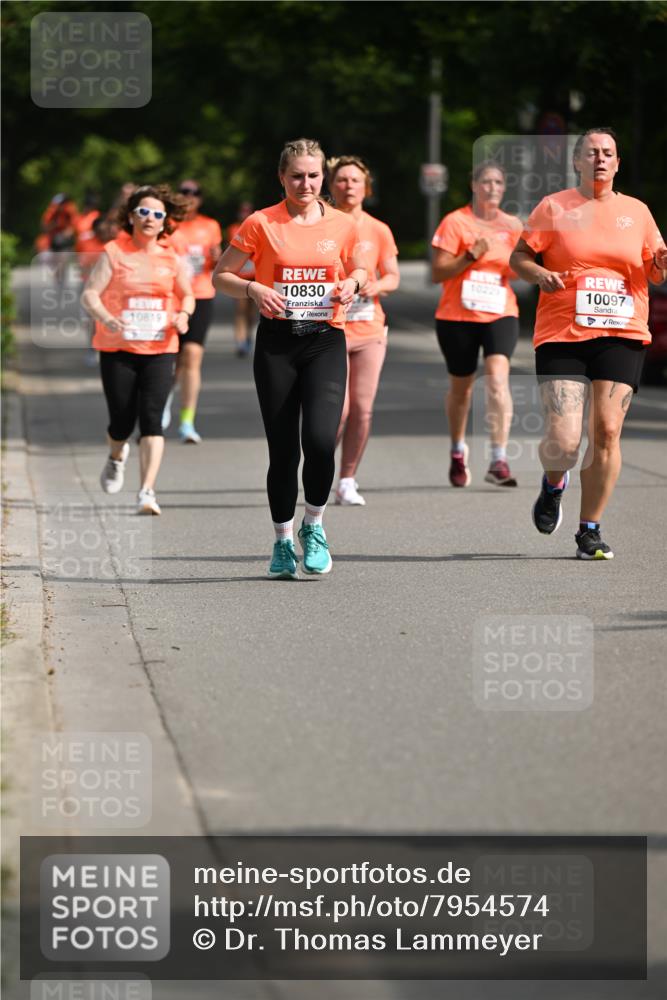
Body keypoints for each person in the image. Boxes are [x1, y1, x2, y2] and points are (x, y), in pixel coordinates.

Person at [213, 138, 367, 578]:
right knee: (283, 451)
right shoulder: (261, 223)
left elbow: (360, 269)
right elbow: (220, 274)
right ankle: (282, 541)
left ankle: (313, 527)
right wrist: (252, 287)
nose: (306, 183)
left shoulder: (341, 224)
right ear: (281, 177)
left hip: (325, 340)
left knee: (320, 441)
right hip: (277, 344)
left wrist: (352, 284)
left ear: (323, 177)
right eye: (296, 175)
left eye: (313, 175)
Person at [510, 127, 667, 559]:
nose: (600, 159)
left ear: (618, 164)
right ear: (577, 161)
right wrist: (540, 274)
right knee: (563, 440)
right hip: (563, 333)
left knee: (608, 431)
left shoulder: (637, 212)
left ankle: (589, 530)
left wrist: (661, 263)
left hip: (622, 331)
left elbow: (656, 272)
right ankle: (552, 483)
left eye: (608, 153)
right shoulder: (554, 207)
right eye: (591, 152)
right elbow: (519, 257)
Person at [81, 184, 194, 515]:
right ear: (131, 217)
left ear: (164, 223)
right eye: (143, 211)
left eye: (157, 214)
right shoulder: (115, 251)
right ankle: (116, 455)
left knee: (152, 419)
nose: (150, 218)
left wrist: (184, 315)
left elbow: (186, 295)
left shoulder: (170, 257)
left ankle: (147, 491)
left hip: (160, 347)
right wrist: (106, 317)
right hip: (117, 347)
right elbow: (90, 294)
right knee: (121, 421)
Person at [431, 162, 523, 487]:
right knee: (462, 389)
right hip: (457, 316)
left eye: (499, 182)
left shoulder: (512, 225)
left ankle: (499, 458)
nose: (493, 188)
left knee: (498, 380)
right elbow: (437, 273)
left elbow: (520, 268)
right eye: (486, 182)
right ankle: (458, 449)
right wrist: (469, 256)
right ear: (474, 185)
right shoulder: (455, 222)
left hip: (500, 312)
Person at [327, 156, 400, 506]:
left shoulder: (378, 229)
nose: (348, 186)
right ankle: (320, 469)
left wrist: (377, 286)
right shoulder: (322, 224)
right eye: (341, 180)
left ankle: (347, 479)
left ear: (366, 187)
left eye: (355, 180)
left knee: (362, 408)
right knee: (336, 410)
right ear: (331, 186)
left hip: (370, 328)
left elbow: (393, 275)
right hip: (330, 327)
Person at [165, 180, 222, 442]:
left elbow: (218, 263)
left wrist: (218, 256)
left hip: (200, 296)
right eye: (184, 192)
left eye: (195, 193)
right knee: (170, 359)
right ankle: (162, 403)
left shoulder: (210, 226)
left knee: (192, 355)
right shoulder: (167, 225)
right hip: (171, 298)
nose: (189, 197)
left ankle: (187, 421)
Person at [225, 201, 256, 357]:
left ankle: (248, 337)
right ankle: (240, 341)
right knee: (240, 310)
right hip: (239, 276)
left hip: (255, 276)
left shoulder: (258, 228)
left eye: (247, 211)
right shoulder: (233, 229)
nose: (245, 214)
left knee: (250, 313)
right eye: (242, 211)